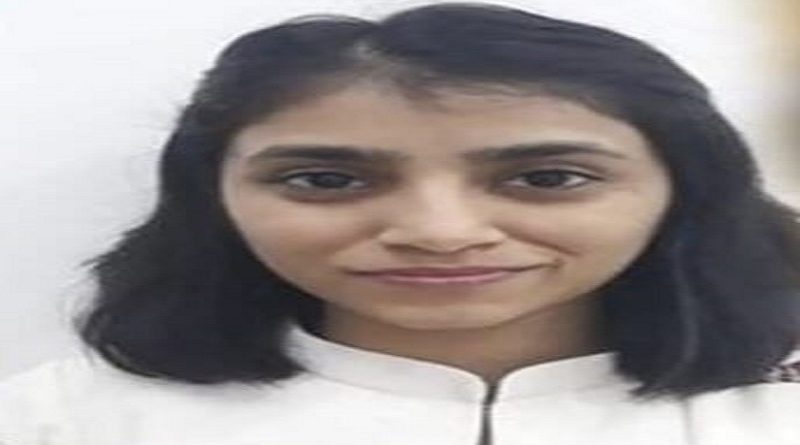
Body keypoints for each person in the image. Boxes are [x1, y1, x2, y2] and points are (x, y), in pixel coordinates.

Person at [2, 2, 800, 444]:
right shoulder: (60, 422)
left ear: (685, 187)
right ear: (213, 194)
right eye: (327, 180)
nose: (439, 230)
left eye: (546, 178)